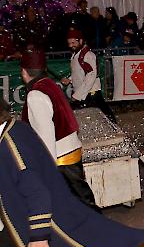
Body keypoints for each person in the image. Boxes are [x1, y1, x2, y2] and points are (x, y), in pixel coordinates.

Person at [0, 98, 144, 247]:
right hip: (16, 217)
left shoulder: (10, 146)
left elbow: (37, 193)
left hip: (32, 217)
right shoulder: (16, 128)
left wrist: (39, 236)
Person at [19, 50, 99, 211]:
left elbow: (45, 135)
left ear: (24, 72)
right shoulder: (49, 84)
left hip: (60, 157)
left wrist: (47, 170)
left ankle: (98, 230)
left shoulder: (35, 94)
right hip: (70, 148)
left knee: (79, 202)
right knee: (80, 198)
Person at [60, 29, 117, 123]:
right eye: (69, 43)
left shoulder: (87, 55)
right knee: (94, 114)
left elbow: (91, 75)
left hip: (90, 92)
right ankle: (113, 128)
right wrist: (70, 80)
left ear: (81, 41)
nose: (71, 45)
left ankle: (115, 129)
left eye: (73, 42)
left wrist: (78, 95)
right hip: (84, 92)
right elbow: (80, 72)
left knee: (101, 113)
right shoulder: (76, 54)